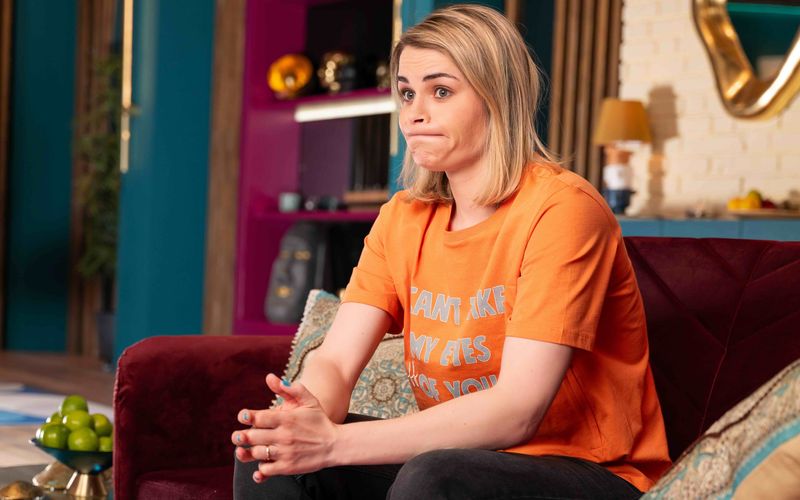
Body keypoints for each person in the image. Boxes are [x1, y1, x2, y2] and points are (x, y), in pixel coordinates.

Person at [232, 4, 672, 499]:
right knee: (271, 453)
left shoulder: (562, 210)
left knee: (434, 475)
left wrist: (335, 444)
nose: (414, 113)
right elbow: (335, 360)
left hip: (591, 472)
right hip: (462, 460)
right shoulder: (404, 217)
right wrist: (303, 419)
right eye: (406, 93)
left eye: (440, 91)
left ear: (496, 97)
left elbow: (518, 409)